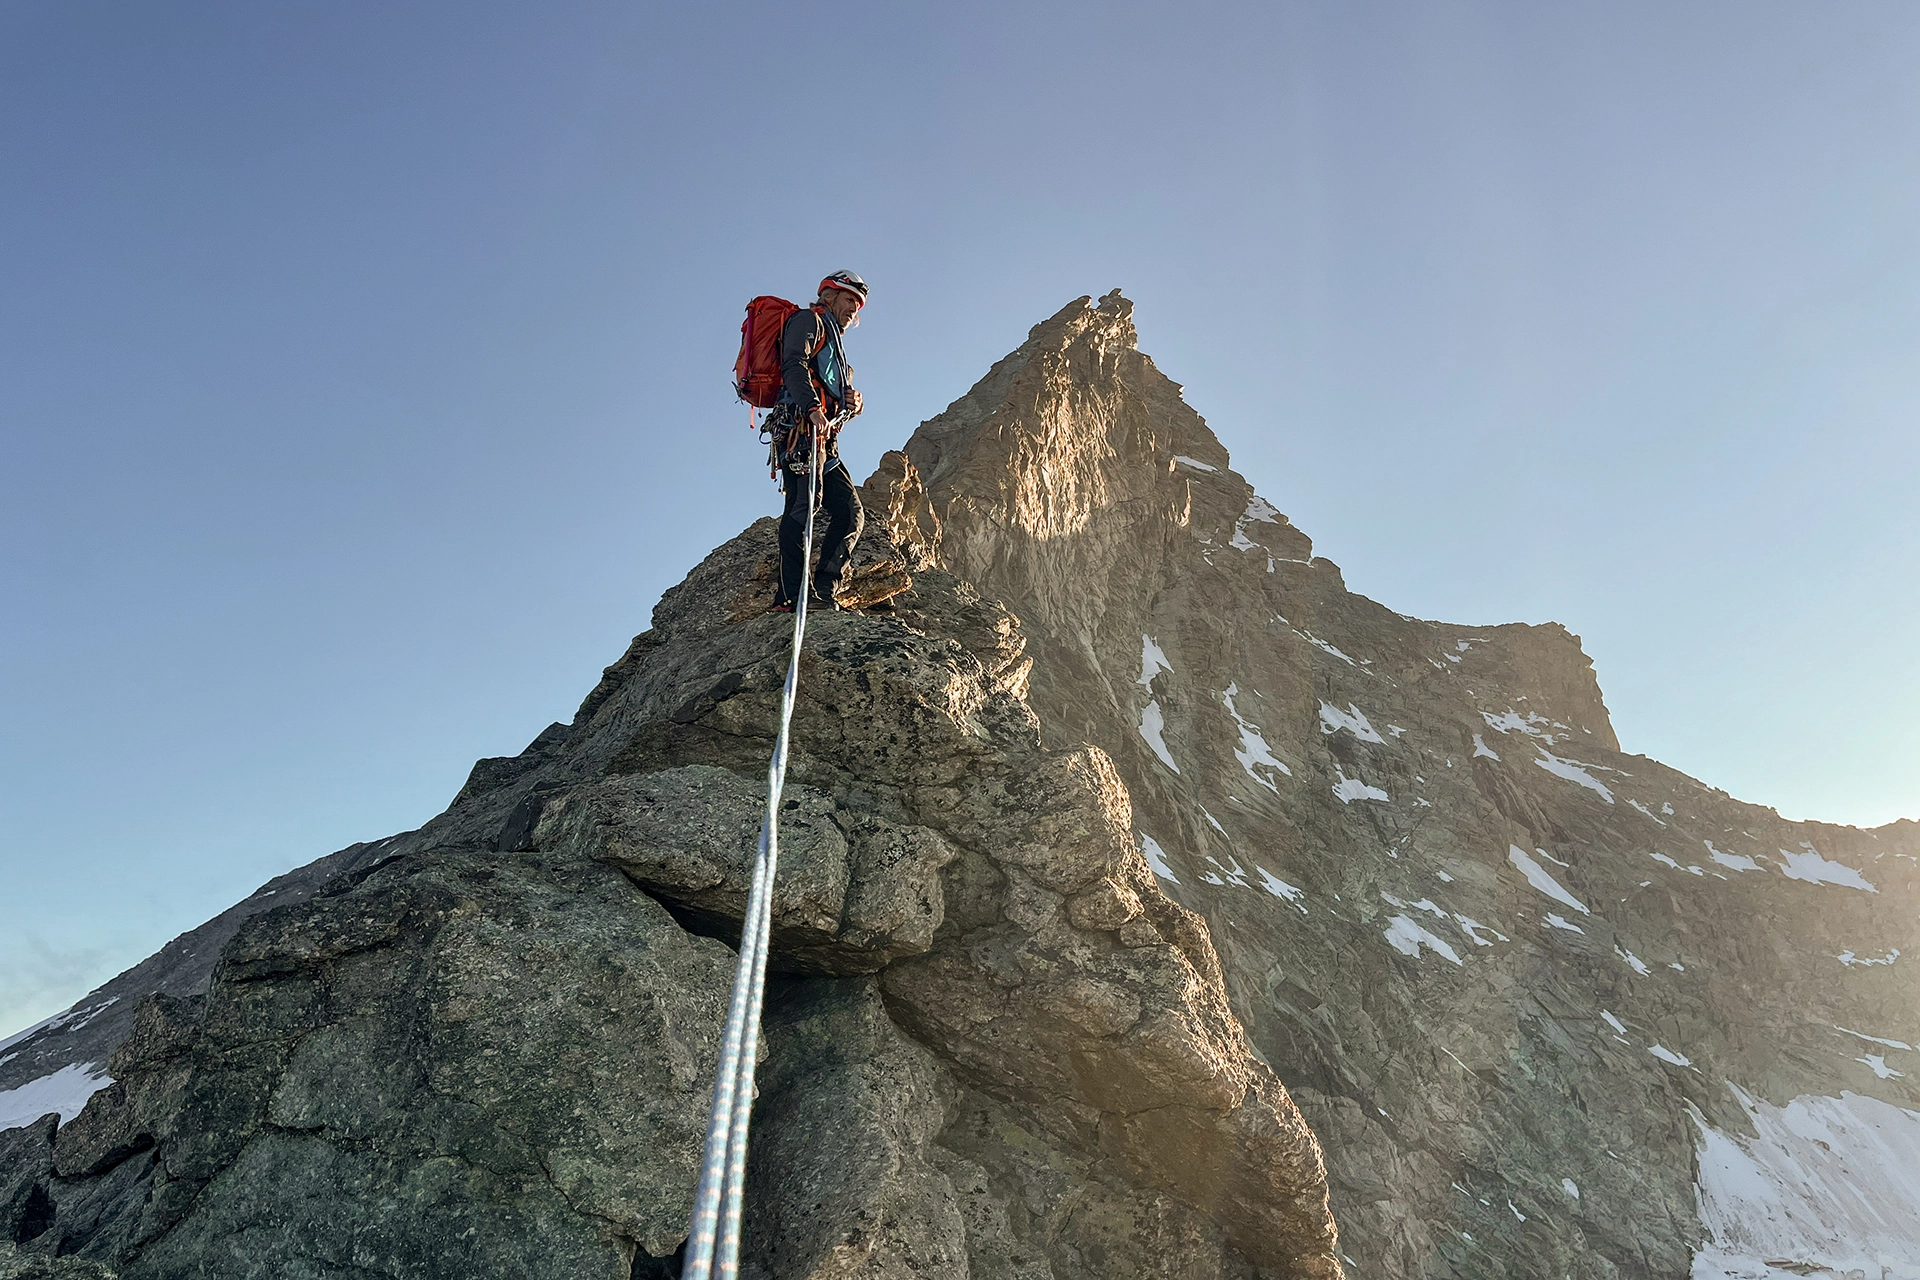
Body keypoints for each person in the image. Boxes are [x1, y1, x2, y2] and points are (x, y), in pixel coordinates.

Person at [771, 270, 868, 612]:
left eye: (858, 304)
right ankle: (792, 595)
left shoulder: (837, 350)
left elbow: (832, 395)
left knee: (850, 514)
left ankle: (825, 589)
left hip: (824, 439)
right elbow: (793, 364)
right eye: (849, 300)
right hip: (801, 430)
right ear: (829, 295)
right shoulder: (807, 321)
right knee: (803, 508)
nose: (853, 310)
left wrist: (851, 404)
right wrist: (812, 409)